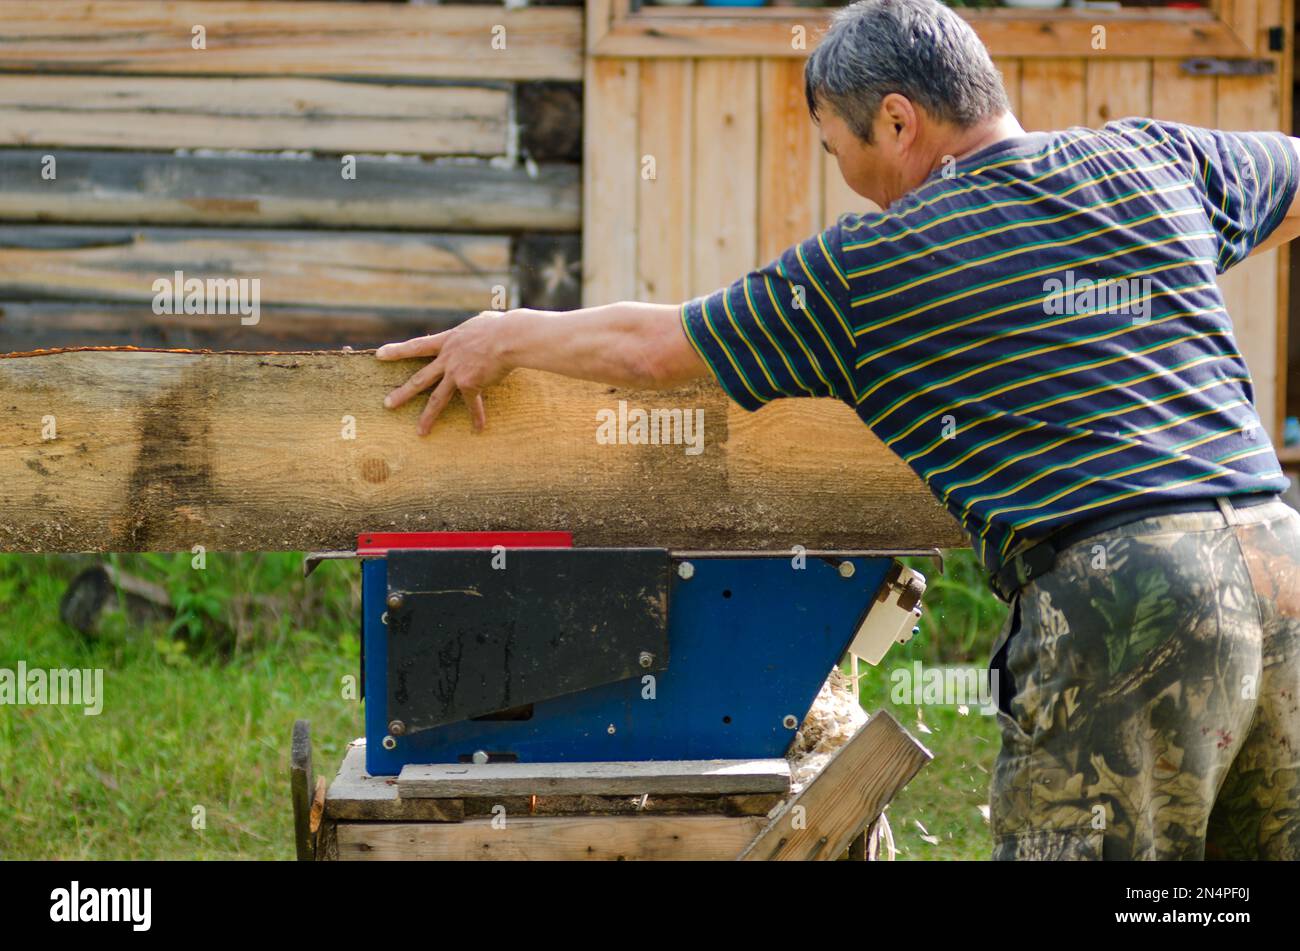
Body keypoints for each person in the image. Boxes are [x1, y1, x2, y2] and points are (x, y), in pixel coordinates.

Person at [376, 0, 1300, 860]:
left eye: (836, 149)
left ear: (897, 122)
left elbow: (655, 347)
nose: (852, 185)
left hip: (1124, 594)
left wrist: (504, 334)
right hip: (1281, 560)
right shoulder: (1155, 161)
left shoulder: (871, 268)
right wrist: (1185, 255)